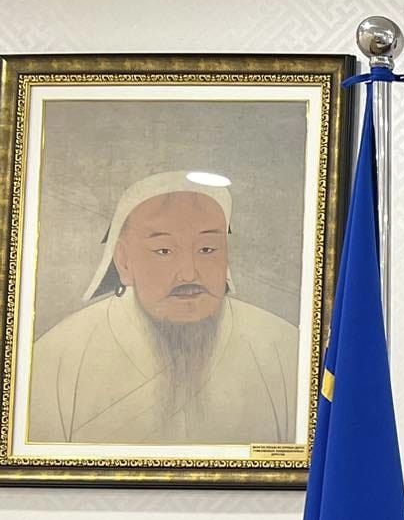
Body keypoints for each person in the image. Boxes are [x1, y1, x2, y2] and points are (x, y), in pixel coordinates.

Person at [28, 171, 301, 444]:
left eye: (207, 249)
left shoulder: (283, 348)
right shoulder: (57, 357)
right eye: (164, 251)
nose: (188, 273)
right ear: (124, 261)